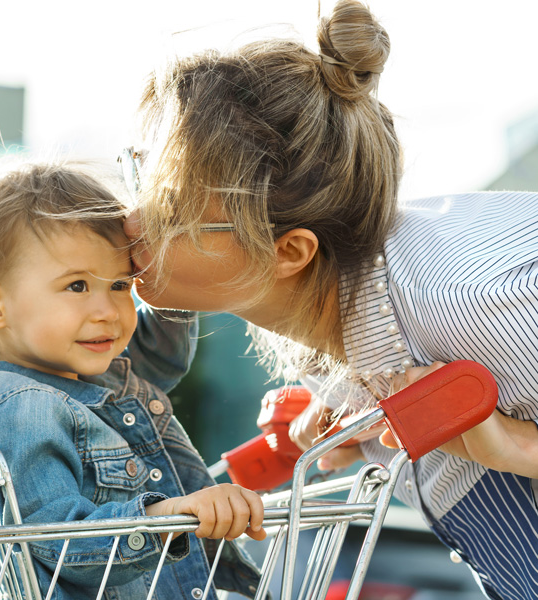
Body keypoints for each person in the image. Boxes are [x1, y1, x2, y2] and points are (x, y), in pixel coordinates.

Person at [119, 1, 538, 599]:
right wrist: (351, 402)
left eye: (172, 209)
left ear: (287, 252)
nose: (132, 220)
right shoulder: (340, 315)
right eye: (139, 179)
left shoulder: (476, 300)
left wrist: (521, 446)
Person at [0, 156, 266, 600]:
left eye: (120, 285)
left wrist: (170, 262)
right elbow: (60, 538)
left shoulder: (88, 370)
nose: (107, 311)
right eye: (78, 286)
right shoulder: (25, 405)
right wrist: (164, 517)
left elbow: (163, 355)